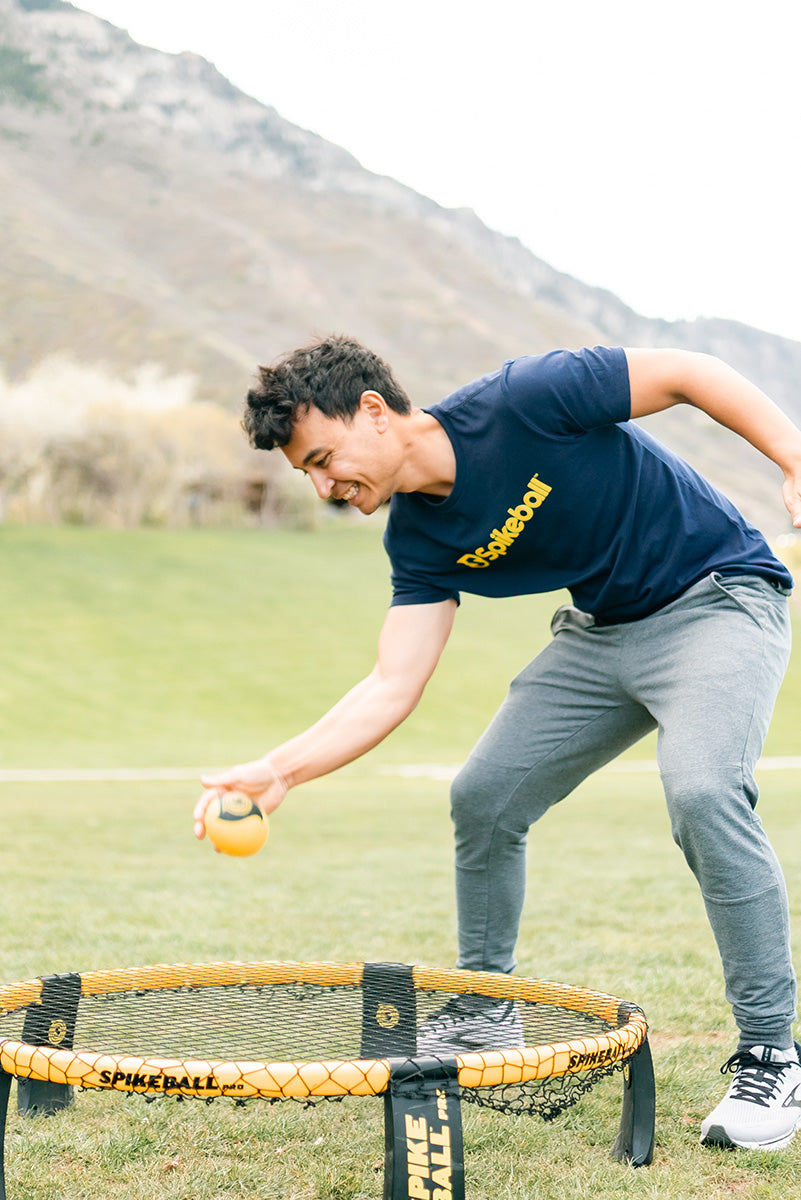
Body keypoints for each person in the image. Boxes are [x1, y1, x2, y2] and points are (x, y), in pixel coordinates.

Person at [193, 335, 801, 1151]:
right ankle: (485, 1010)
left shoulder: (527, 400)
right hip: (602, 634)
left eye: (323, 456)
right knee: (483, 798)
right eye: (306, 471)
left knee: (700, 789)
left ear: (373, 411)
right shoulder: (416, 538)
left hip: (718, 598)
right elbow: (391, 684)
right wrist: (281, 769)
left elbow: (689, 374)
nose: (322, 484)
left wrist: (792, 458)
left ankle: (772, 1053)